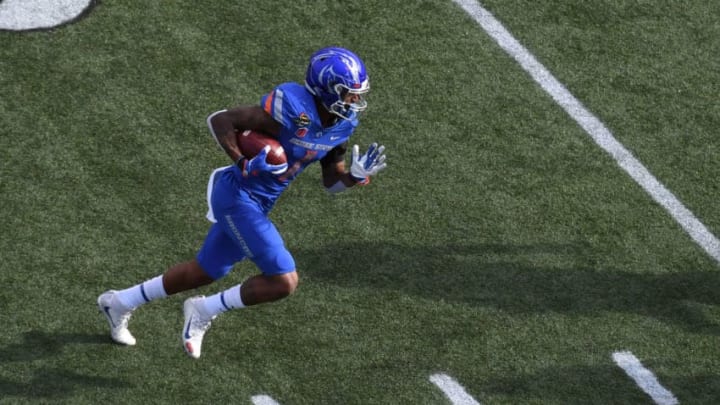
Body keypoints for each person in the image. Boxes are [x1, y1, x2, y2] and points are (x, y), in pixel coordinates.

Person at [97, 47, 387, 359]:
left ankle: (119, 302)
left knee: (205, 270)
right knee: (284, 280)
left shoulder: (343, 124)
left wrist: (355, 177)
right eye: (348, 94)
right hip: (237, 195)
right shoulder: (292, 109)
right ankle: (203, 310)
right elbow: (220, 120)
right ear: (325, 90)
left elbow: (331, 183)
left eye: (357, 95)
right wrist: (242, 162)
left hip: (261, 201)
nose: (354, 101)